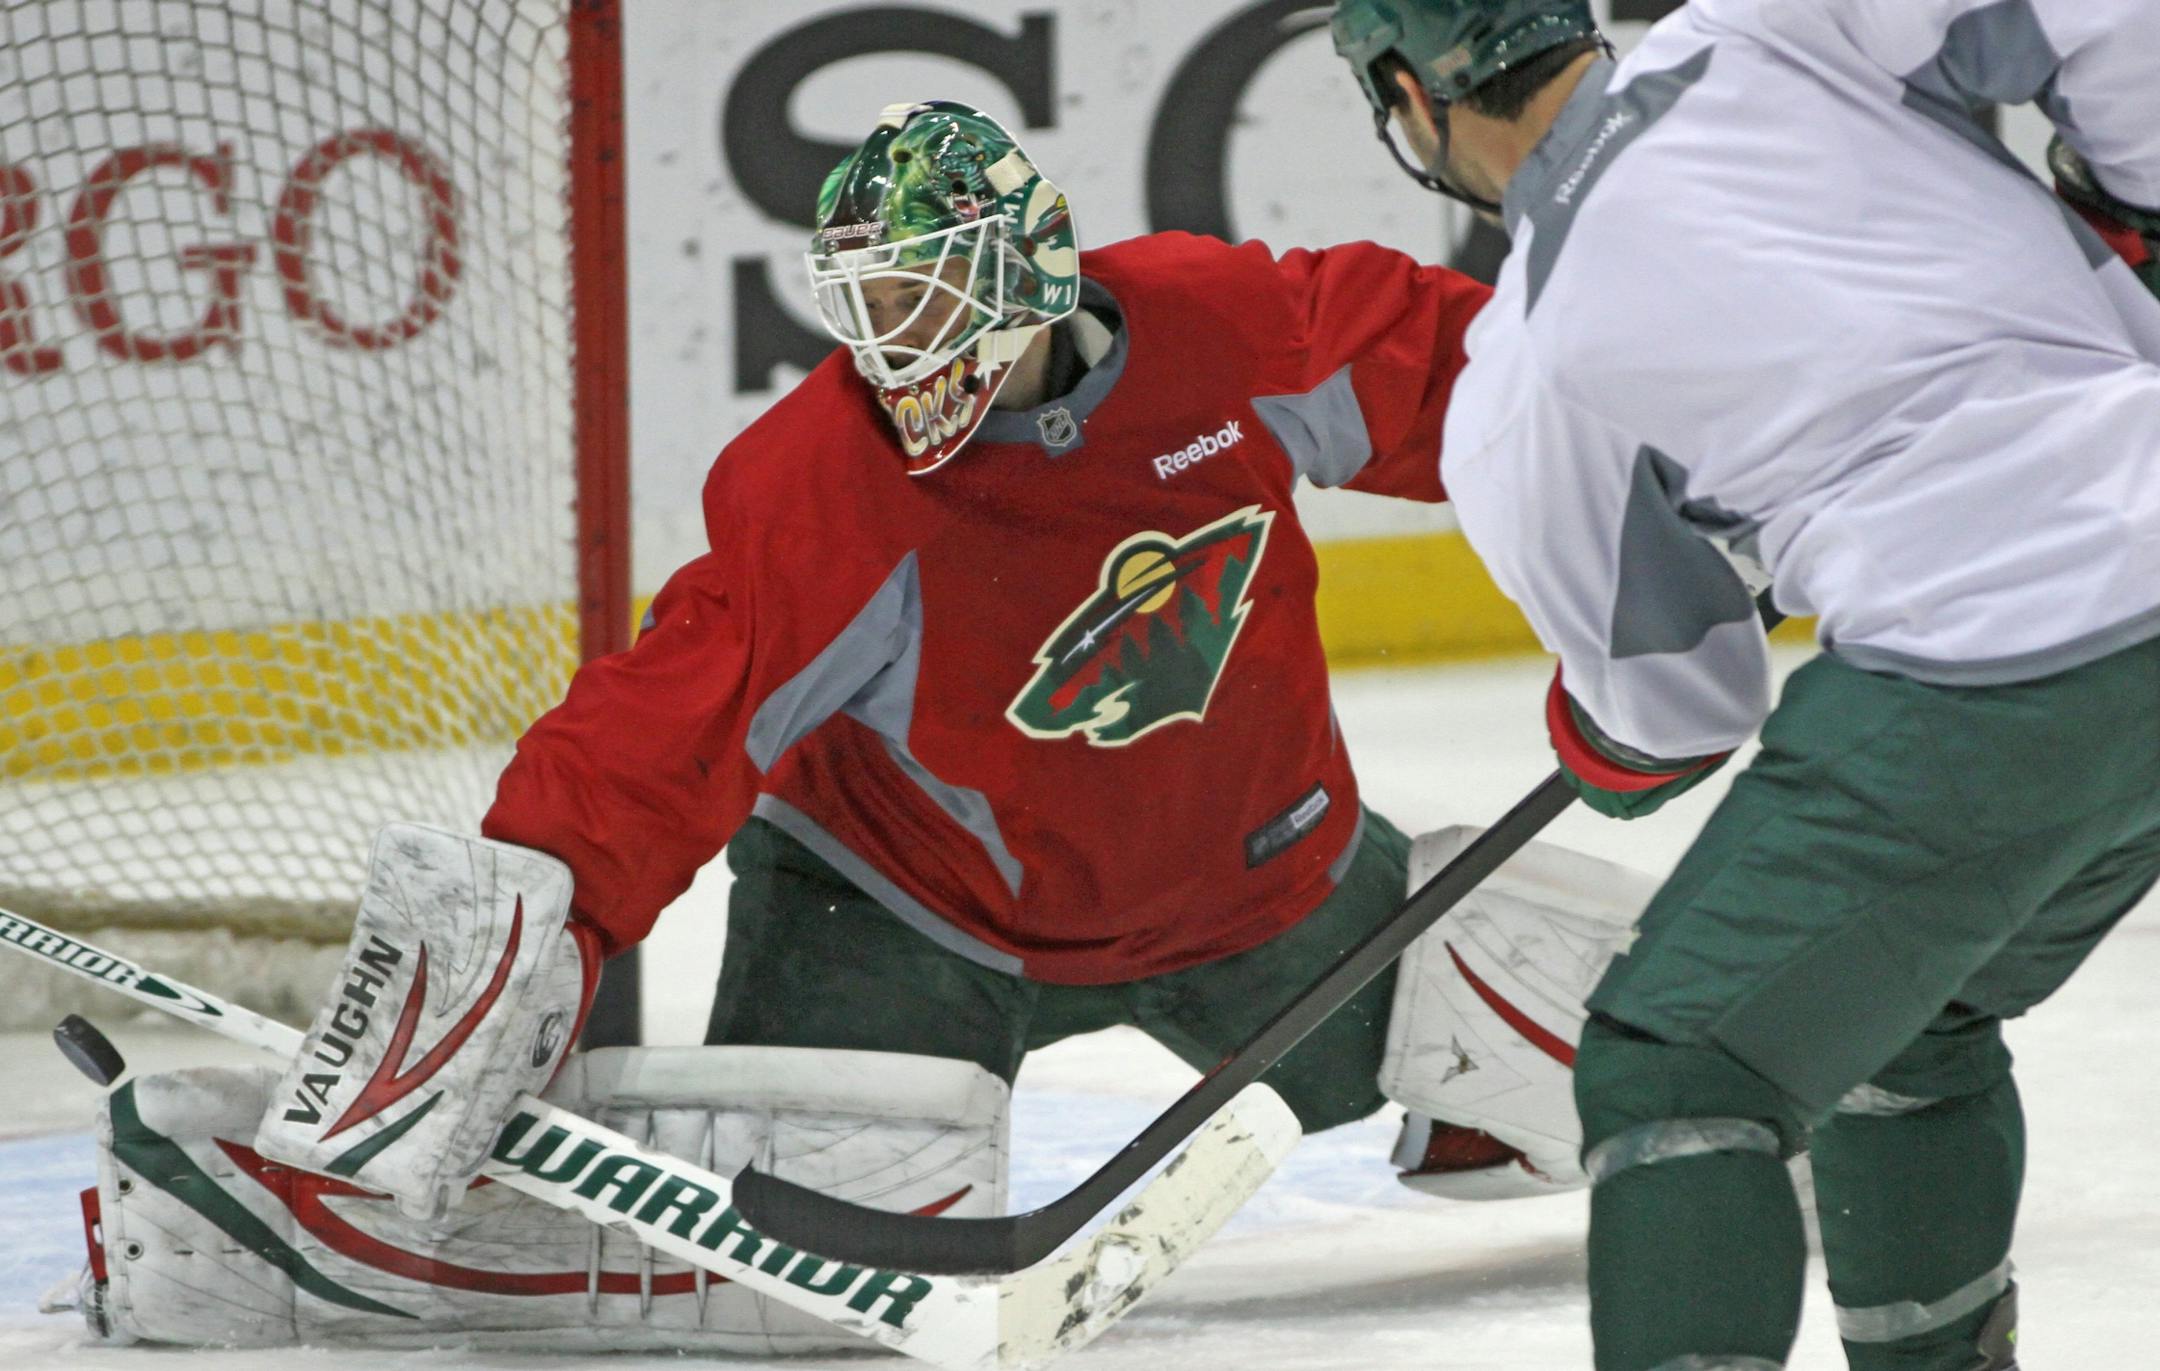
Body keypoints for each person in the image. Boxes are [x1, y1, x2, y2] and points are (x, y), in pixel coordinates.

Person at [125, 98, 1664, 1353]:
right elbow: (670, 723)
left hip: (1251, 891)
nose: (899, 348)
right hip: (907, 913)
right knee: (803, 1259)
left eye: (932, 301)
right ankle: (271, 1220)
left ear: (1035, 273)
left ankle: (1856, 1015)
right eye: (873, 311)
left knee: (1630, 1042)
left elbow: (1493, 386)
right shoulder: (828, 482)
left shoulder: (1232, 333)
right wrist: (530, 913)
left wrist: (1696, 481)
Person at [1330, 2, 2160, 1369]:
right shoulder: (1767, 28)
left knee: (1677, 1071)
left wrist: (1599, 738)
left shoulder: (1526, 369)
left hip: (1992, 671)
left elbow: (1674, 709)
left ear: (1416, 99)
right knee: (1908, 1018)